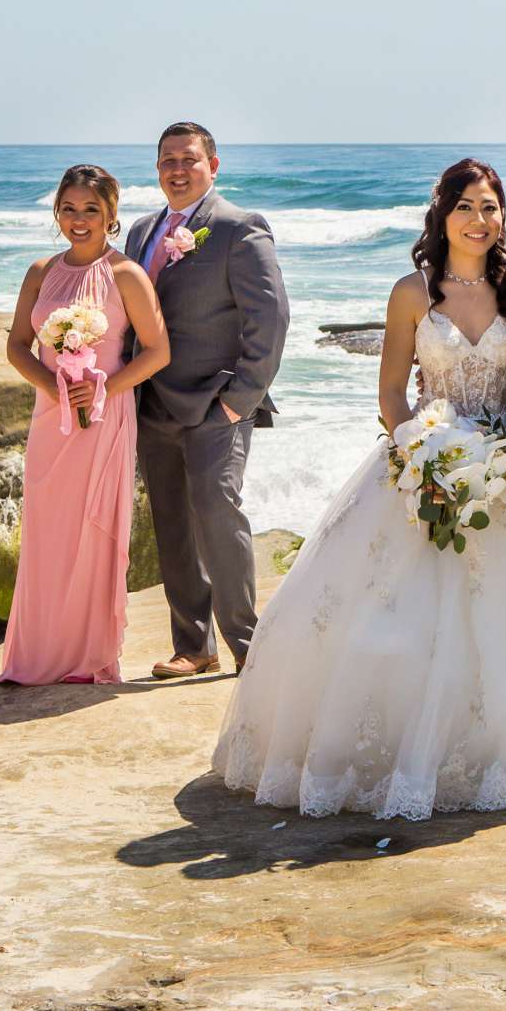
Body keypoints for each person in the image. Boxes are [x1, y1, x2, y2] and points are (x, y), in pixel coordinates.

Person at [212, 159, 506, 819]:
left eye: (490, 207)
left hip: (504, 472)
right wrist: (421, 452)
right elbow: (390, 391)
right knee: (397, 621)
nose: (480, 219)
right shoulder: (411, 292)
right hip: (423, 468)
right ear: (442, 214)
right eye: (465, 206)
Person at [123, 122, 289, 679]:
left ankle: (248, 643)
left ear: (212, 166)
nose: (176, 168)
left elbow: (269, 319)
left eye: (188, 159)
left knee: (218, 513)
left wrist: (240, 400)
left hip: (218, 404)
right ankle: (194, 646)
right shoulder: (142, 231)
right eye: (167, 159)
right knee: (171, 524)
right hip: (153, 404)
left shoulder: (239, 227)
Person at [0, 166, 169, 685]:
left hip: (103, 417)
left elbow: (158, 352)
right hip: (51, 420)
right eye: (68, 209)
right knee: (48, 532)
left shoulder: (126, 275)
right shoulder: (39, 272)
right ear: (56, 213)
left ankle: (86, 655)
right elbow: (15, 347)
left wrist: (103, 390)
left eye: (90, 209)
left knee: (92, 534)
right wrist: (52, 386)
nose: (78, 220)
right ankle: (38, 654)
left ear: (110, 215)